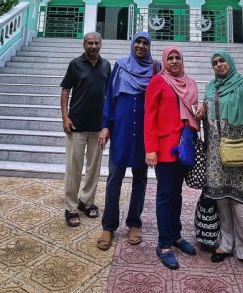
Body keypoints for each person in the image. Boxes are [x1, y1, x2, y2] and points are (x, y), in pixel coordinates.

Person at [203, 49, 243, 275]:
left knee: (242, 205)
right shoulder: (211, 87)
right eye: (215, 63)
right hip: (216, 155)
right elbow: (208, 118)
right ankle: (226, 244)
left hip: (239, 153)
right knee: (222, 202)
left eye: (222, 61)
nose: (219, 65)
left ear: (230, 63)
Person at [96, 31, 158, 250]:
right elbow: (110, 96)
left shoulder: (155, 68)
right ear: (132, 44)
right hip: (121, 128)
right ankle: (108, 226)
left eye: (145, 43)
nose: (141, 46)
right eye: (138, 42)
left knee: (140, 178)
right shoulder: (120, 65)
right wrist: (106, 125)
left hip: (144, 131)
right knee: (115, 177)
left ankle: (134, 223)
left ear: (149, 46)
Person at [144, 46, 199, 270]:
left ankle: (176, 236)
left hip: (185, 147)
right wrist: (150, 149)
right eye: (170, 58)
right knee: (165, 196)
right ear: (164, 62)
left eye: (178, 58)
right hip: (165, 148)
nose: (174, 61)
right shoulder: (158, 82)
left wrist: (200, 112)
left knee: (176, 194)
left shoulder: (191, 83)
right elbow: (149, 116)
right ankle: (164, 244)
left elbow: (194, 110)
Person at [60, 32, 111, 227]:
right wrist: (65, 117)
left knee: (93, 168)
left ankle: (87, 201)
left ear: (101, 44)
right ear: (84, 45)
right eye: (89, 43)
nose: (93, 46)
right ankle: (71, 207)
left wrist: (107, 125)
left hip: (98, 127)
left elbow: (110, 95)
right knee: (73, 168)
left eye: (96, 43)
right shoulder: (75, 64)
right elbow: (65, 90)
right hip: (77, 126)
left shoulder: (106, 65)